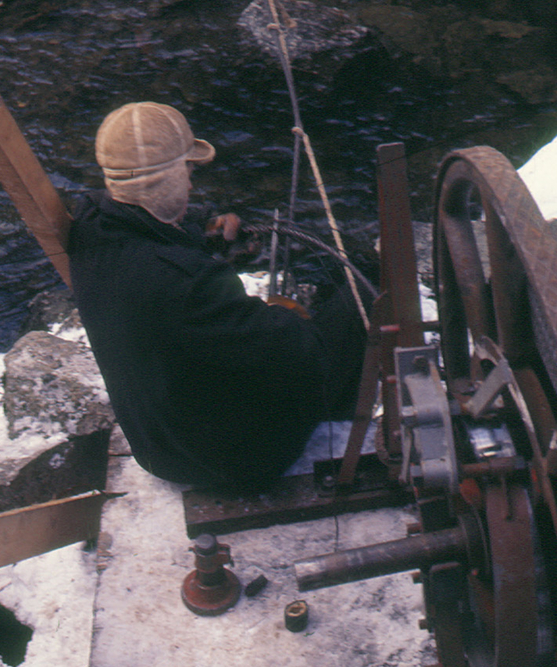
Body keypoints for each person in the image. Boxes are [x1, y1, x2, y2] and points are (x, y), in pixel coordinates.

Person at [68, 101, 366, 493]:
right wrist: (298, 318)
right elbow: (299, 353)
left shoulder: (88, 226)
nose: (192, 185)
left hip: (157, 443)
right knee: (354, 316)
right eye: (187, 171)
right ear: (168, 177)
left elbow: (147, 232)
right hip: (224, 460)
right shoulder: (186, 284)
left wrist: (201, 228)